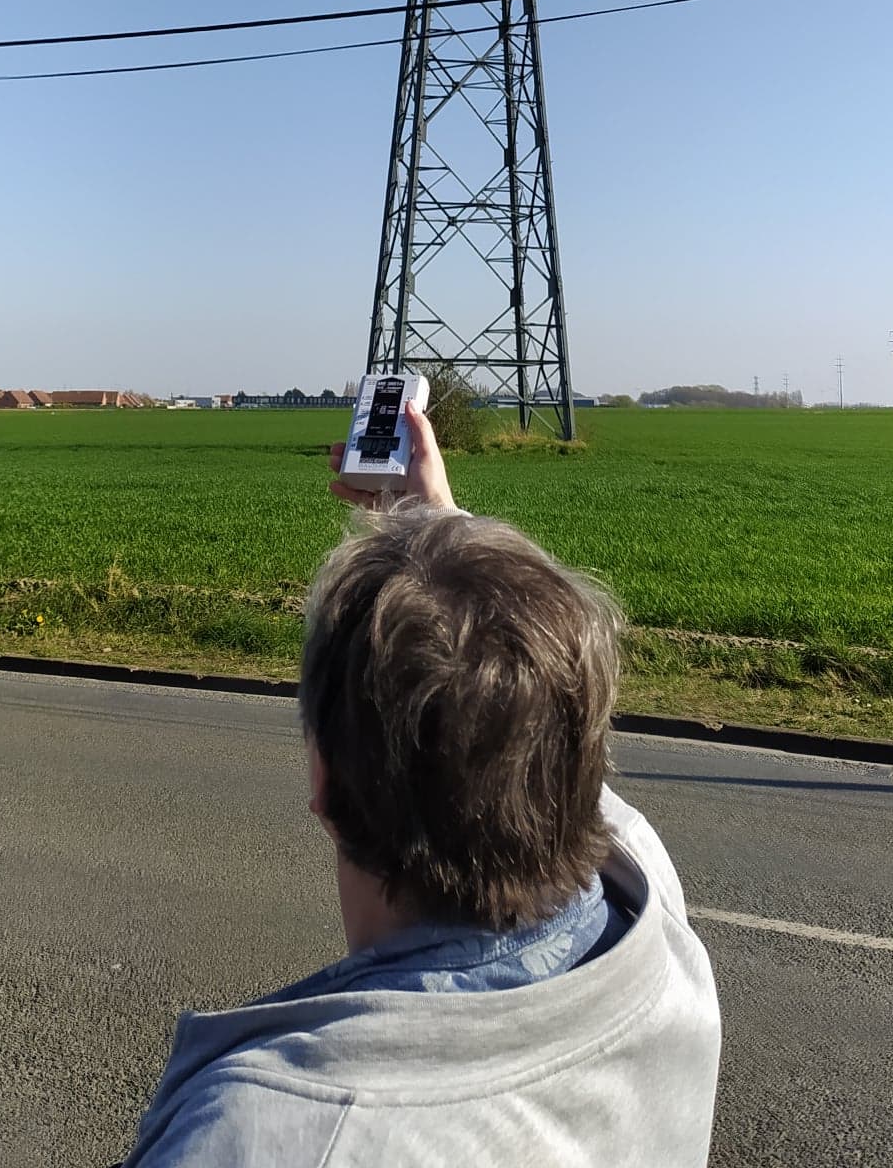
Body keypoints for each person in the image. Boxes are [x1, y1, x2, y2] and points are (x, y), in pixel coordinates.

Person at [124, 403, 721, 1166]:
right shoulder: (652, 915)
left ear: (322, 775)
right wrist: (444, 531)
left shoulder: (271, 1136)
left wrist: (436, 539)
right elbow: (537, 731)